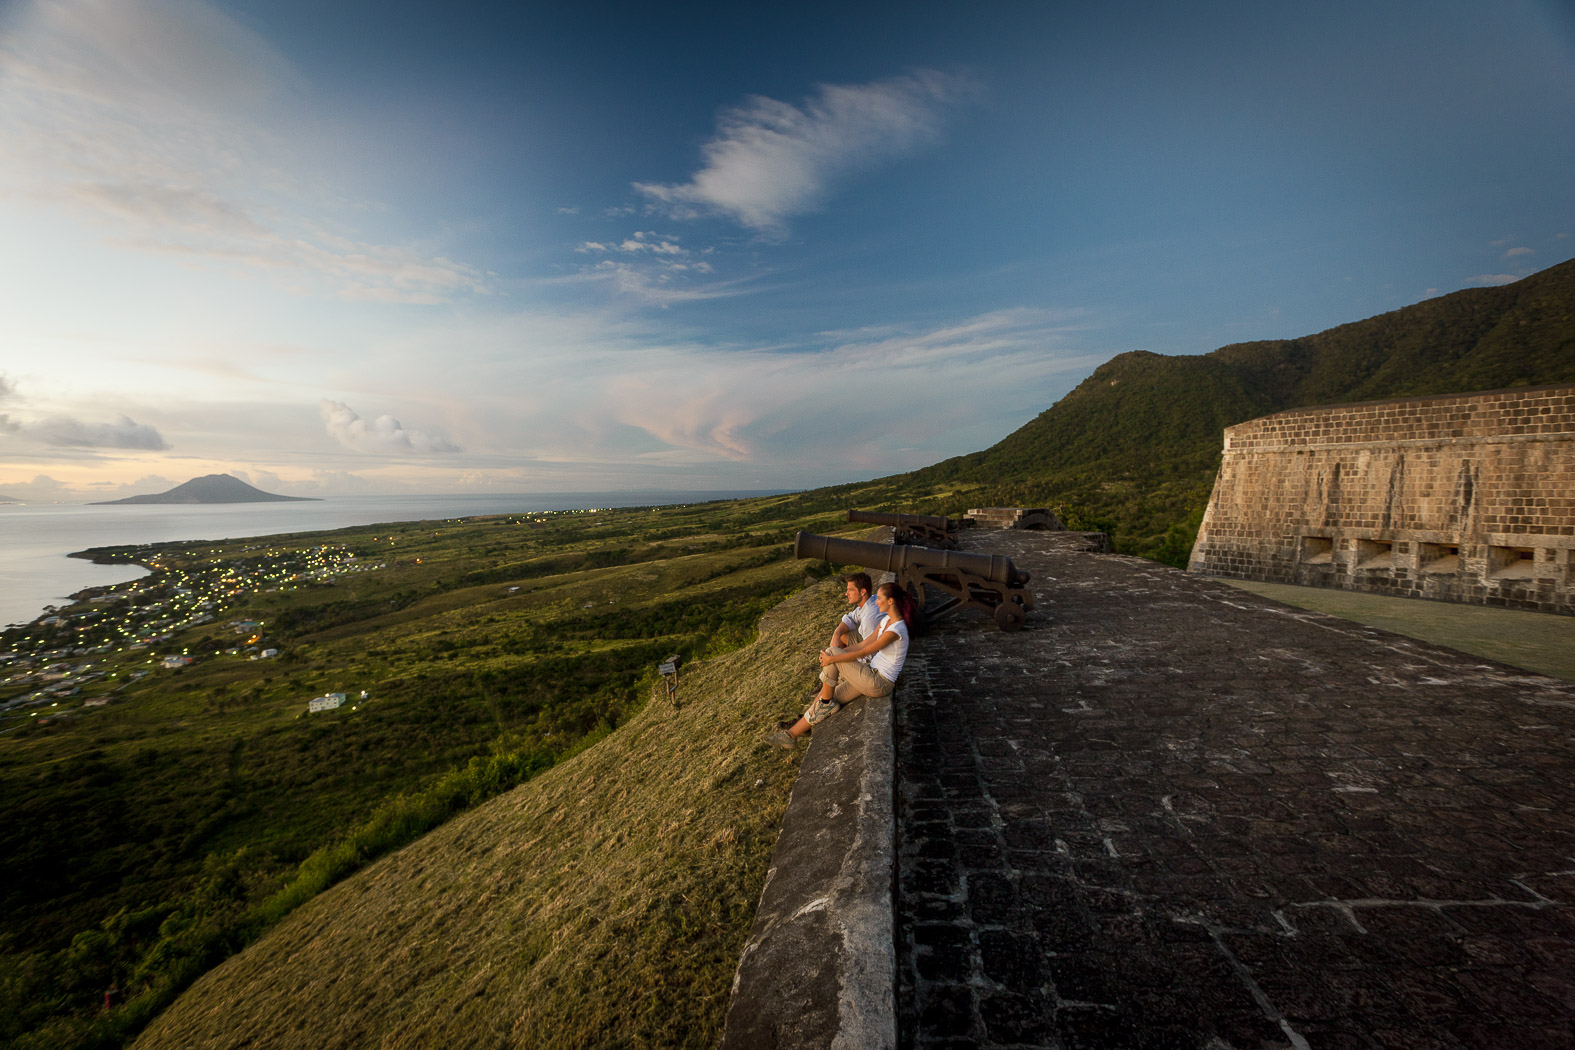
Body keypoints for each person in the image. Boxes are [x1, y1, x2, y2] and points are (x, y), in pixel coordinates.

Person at [771, 581, 914, 749]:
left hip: (879, 683)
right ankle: (792, 735)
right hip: (870, 675)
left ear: (890, 601)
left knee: (832, 656)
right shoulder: (886, 622)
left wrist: (833, 658)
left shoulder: (897, 629)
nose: (876, 601)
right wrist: (836, 655)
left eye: (880, 598)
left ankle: (823, 706)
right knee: (828, 693)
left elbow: (865, 651)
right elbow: (862, 645)